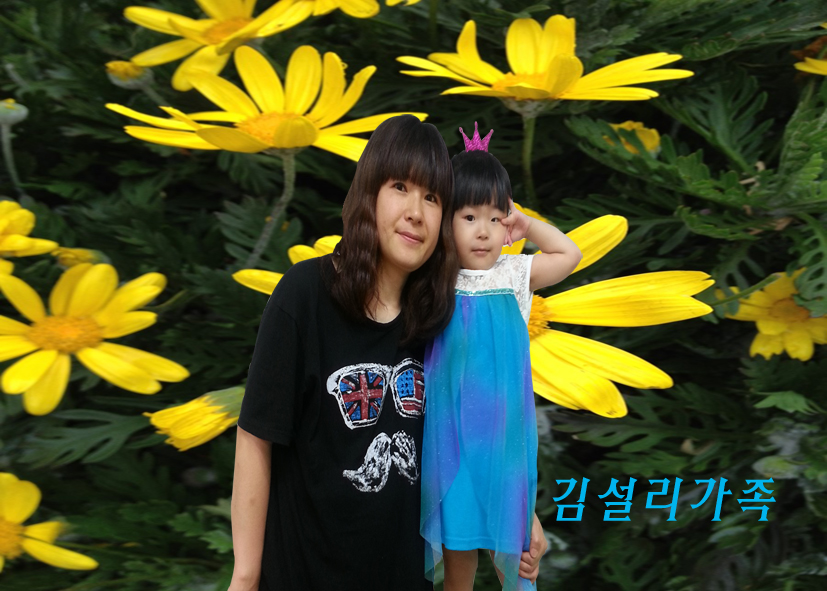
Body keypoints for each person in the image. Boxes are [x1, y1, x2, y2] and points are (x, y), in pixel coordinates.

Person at [227, 115, 547, 591]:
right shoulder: (305, 294)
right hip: (303, 573)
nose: (416, 212)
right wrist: (245, 576)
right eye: (400, 187)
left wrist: (519, 510)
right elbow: (257, 436)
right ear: (369, 193)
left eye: (433, 198)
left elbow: (478, 426)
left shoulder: (441, 313)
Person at [420, 123, 582, 591]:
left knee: (513, 552)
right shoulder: (435, 278)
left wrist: (527, 225)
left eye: (497, 218)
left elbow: (568, 254)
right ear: (446, 221)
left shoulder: (515, 273)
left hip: (504, 439)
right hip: (447, 437)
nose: (484, 231)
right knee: (458, 549)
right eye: (469, 216)